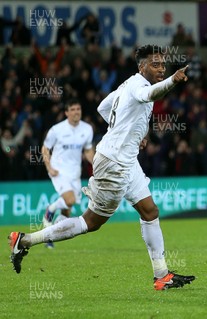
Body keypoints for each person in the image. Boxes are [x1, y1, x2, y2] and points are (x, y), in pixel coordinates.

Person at [9, 45, 195, 290]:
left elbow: (102, 108)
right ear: (142, 67)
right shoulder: (140, 87)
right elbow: (151, 96)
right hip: (114, 163)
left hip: (126, 161)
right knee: (90, 222)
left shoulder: (126, 86)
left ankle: (161, 275)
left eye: (163, 65)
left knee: (150, 212)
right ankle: (25, 240)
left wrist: (130, 131)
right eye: (155, 64)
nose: (161, 68)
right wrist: (173, 80)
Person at [41, 100, 94, 249]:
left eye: (78, 109)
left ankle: (50, 236)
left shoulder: (87, 129)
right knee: (69, 200)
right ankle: (50, 209)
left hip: (75, 173)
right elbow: (45, 149)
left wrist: (95, 164)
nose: (76, 112)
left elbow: (88, 150)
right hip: (59, 171)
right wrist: (49, 167)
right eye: (73, 109)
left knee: (67, 211)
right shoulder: (57, 130)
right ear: (66, 113)